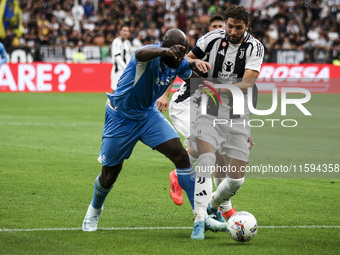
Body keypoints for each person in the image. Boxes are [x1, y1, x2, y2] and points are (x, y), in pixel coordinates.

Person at [82, 28, 224, 233]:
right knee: (110, 175)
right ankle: (94, 210)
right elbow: (140, 53)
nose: (178, 60)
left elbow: (194, 82)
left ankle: (201, 217)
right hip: (121, 117)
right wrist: (166, 53)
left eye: (181, 56)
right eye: (174, 54)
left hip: (147, 116)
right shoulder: (147, 56)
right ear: (165, 48)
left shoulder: (179, 62)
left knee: (181, 157)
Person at [186, 5, 265, 240]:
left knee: (236, 180)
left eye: (237, 28)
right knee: (208, 157)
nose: (231, 31)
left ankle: (211, 207)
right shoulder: (211, 38)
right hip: (209, 105)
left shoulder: (255, 47)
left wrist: (219, 88)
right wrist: (196, 66)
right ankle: (200, 218)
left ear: (246, 27)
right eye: (229, 26)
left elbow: (248, 83)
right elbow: (188, 59)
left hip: (237, 108)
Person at [110, 24, 132, 92]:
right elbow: (117, 57)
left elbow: (128, 57)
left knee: (125, 91)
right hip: (118, 70)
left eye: (127, 31)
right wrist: (126, 67)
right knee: (114, 91)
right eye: (124, 30)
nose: (125, 33)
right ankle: (109, 103)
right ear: (120, 31)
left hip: (125, 70)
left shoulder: (128, 43)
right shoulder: (116, 42)